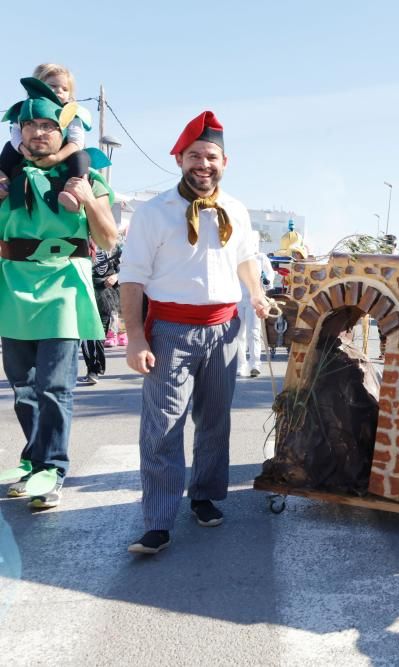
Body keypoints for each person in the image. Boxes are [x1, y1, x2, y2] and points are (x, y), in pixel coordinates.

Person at [119, 111, 268, 555]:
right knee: (163, 426)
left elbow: (245, 258)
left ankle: (203, 497)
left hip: (224, 330)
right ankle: (159, 521)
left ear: (225, 162)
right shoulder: (155, 212)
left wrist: (257, 294)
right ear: (179, 159)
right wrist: (135, 337)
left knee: (215, 420)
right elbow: (132, 278)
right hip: (169, 330)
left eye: (211, 156)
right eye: (194, 156)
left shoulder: (237, 210)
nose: (203, 164)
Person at [0, 78, 117, 509]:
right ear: (19, 133)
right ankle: (32, 461)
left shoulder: (82, 176)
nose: (37, 132)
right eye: (28, 125)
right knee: (23, 386)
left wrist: (88, 200)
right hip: (13, 287)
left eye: (46, 125)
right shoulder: (5, 177)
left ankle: (53, 468)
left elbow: (107, 241)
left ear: (61, 131)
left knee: (53, 385)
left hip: (64, 287)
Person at [1, 66, 92, 212]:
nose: (59, 91)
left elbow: (77, 141)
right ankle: (2, 179)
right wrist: (22, 148)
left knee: (81, 157)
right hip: (30, 149)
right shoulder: (27, 107)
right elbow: (15, 133)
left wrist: (57, 157)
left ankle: (74, 195)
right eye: (53, 86)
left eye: (64, 89)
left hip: (65, 152)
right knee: (8, 148)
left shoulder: (71, 112)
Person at [80, 240, 124, 385]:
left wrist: (116, 276)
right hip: (85, 292)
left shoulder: (113, 243)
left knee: (100, 334)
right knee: (87, 334)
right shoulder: (80, 239)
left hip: (106, 294)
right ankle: (92, 369)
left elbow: (125, 266)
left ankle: (96, 367)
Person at [236, 231, 276, 378]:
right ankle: (241, 364)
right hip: (239, 299)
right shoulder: (237, 258)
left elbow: (270, 274)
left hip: (255, 299)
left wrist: (267, 281)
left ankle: (255, 364)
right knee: (239, 333)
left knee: (253, 332)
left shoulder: (261, 258)